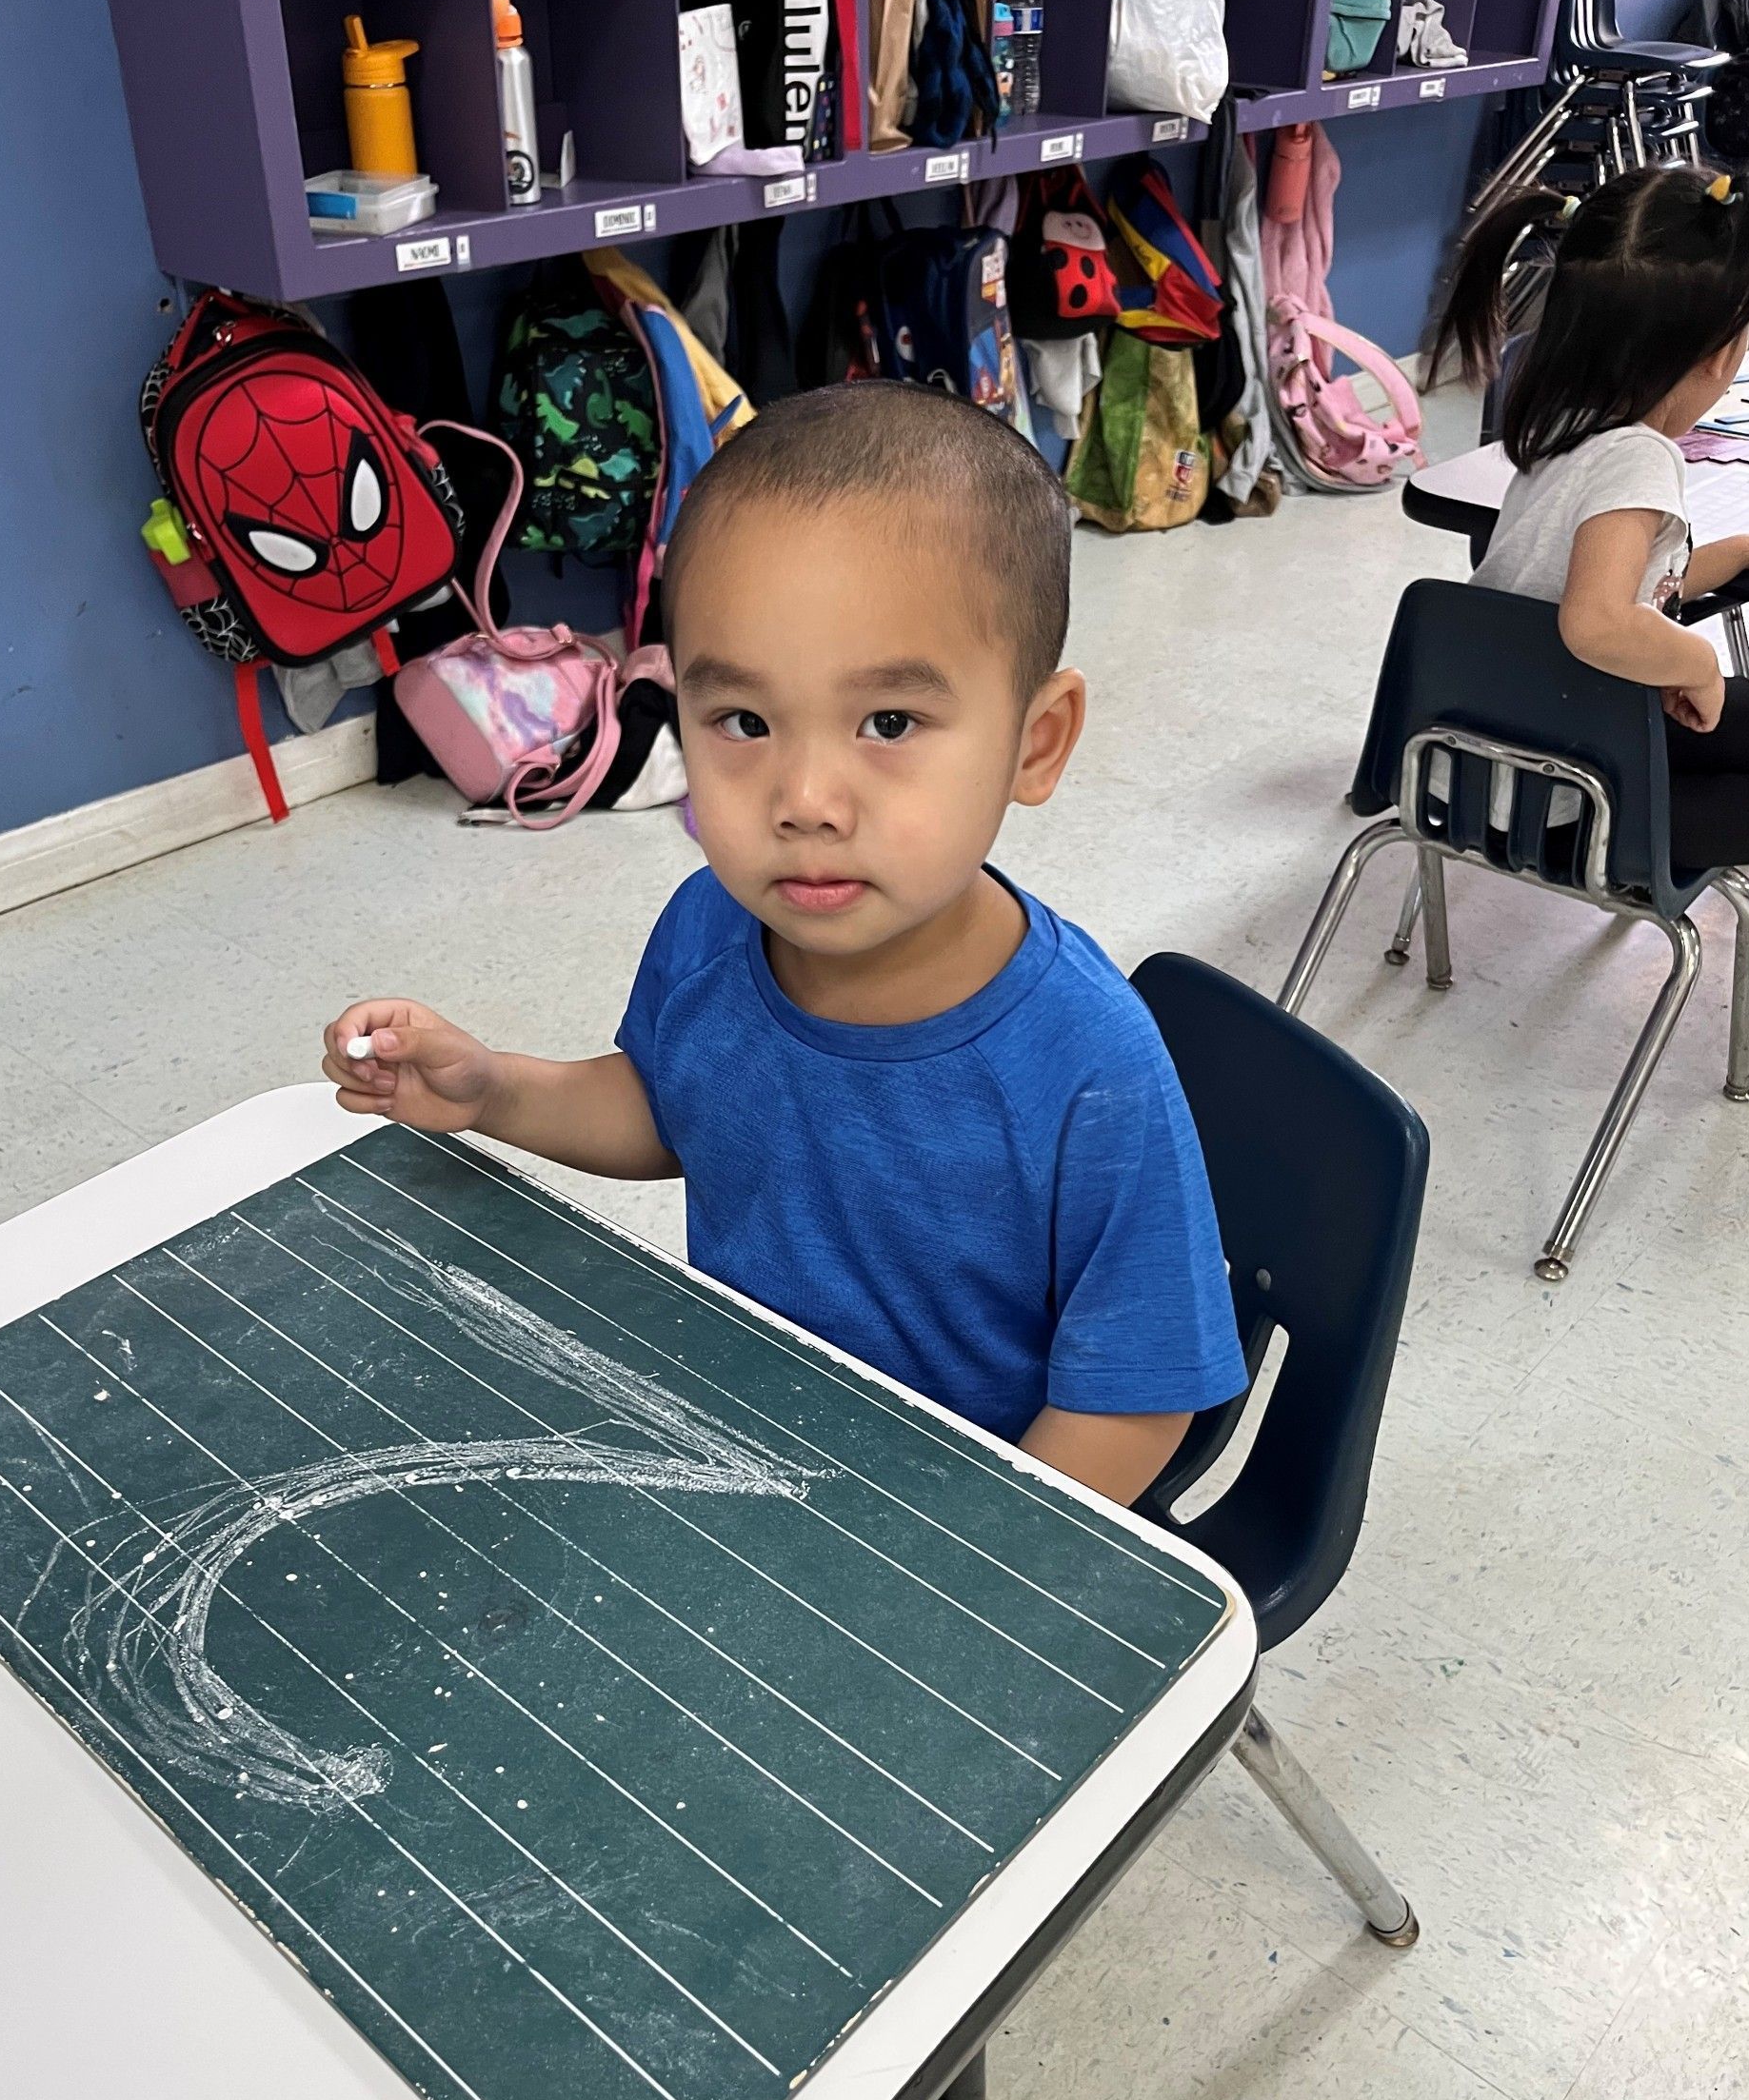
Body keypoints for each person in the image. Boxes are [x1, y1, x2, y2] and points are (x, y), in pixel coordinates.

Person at [323, 383, 1244, 1504]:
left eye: (889, 723)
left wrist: (982, 1563)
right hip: (752, 1444)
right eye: (744, 722)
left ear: (1034, 743)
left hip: (968, 1512)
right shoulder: (714, 927)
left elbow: (1136, 1396)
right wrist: (492, 1093)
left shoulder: (1092, 1064)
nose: (804, 799)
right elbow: (675, 1112)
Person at [1430, 163, 1749, 867]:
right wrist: (1699, 663)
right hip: (1568, 803)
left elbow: (1597, 582)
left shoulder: (1565, 427)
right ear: (1715, 356)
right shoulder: (1638, 458)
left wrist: (1726, 556)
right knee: (1726, 718)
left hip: (1483, 759)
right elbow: (1598, 621)